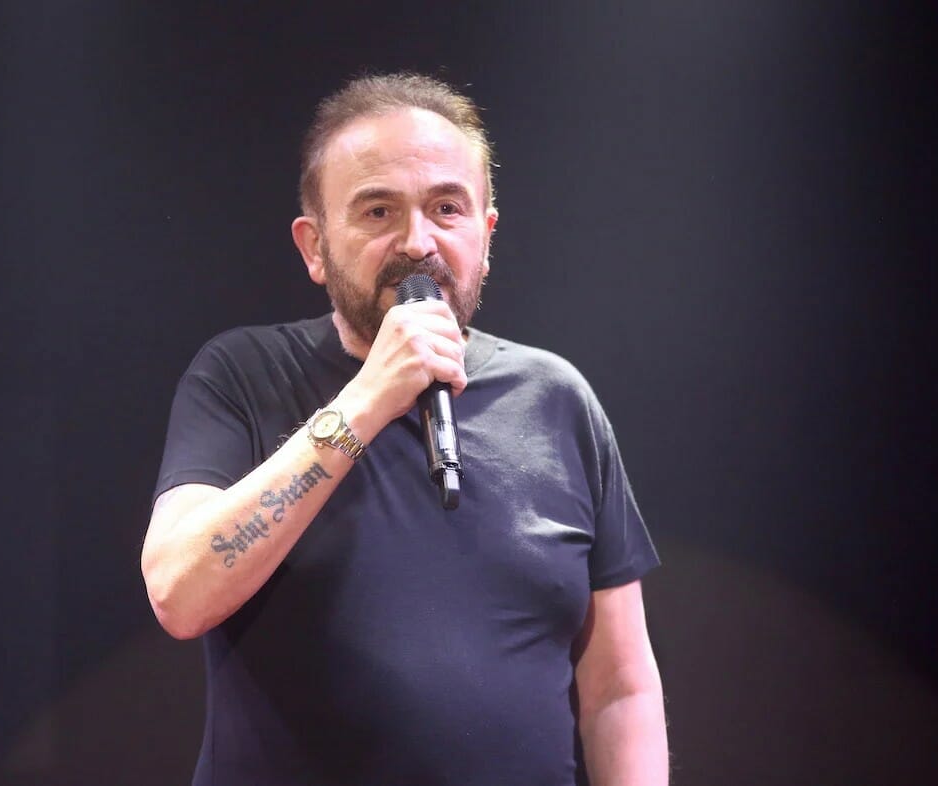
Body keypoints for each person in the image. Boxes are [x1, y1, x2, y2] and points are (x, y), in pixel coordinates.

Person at [141, 72, 668, 785]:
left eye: (447, 208)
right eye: (378, 211)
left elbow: (620, 689)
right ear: (314, 247)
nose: (418, 242)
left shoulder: (557, 400)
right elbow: (180, 594)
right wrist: (368, 399)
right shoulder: (242, 375)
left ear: (485, 235)